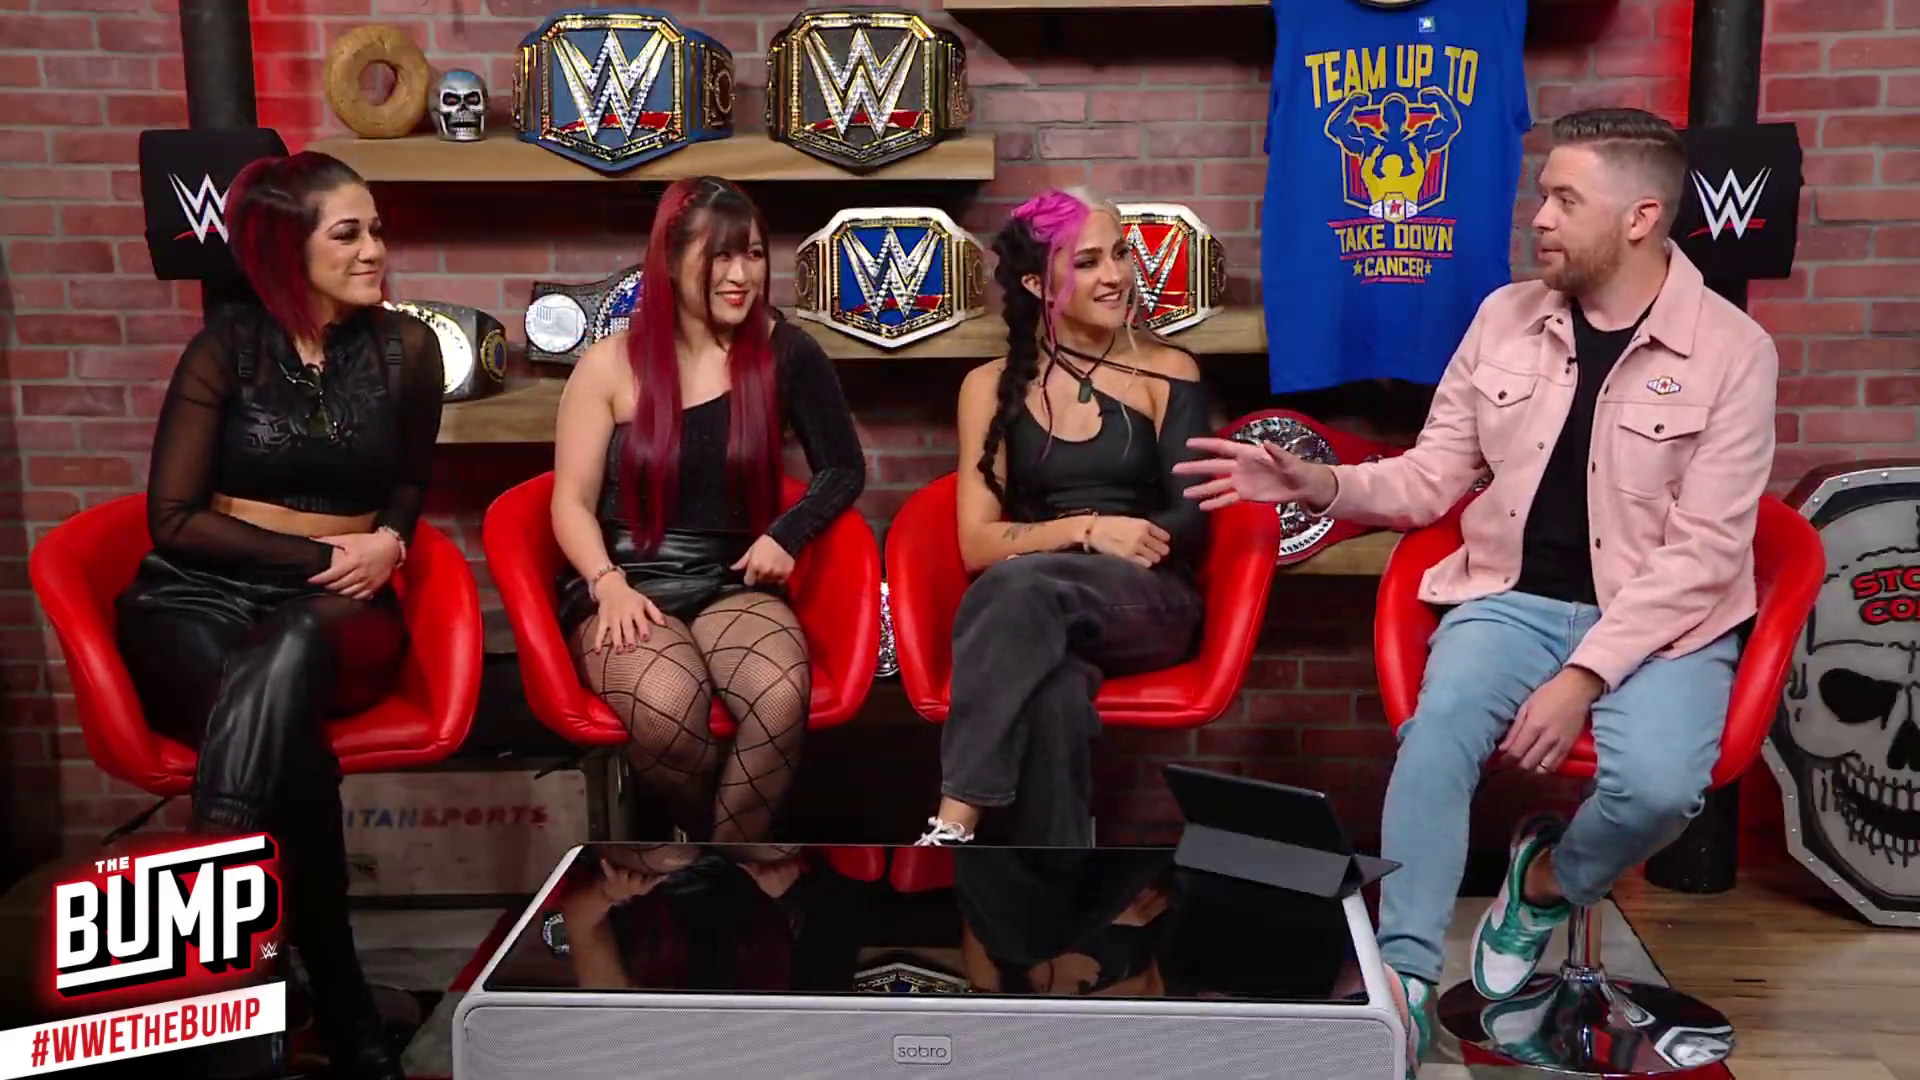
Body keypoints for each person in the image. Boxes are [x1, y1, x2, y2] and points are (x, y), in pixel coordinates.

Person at [1177, 108, 1777, 1076]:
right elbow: (1429, 480)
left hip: (1666, 622)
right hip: (1509, 599)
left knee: (1662, 789)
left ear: (1640, 218)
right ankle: (1403, 986)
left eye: (1566, 200)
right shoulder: (1503, 318)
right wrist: (1317, 482)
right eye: (1543, 195)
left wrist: (1584, 675)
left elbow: (1705, 555)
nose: (1539, 217)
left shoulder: (1735, 351)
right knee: (1438, 737)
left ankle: (1544, 882)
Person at [114, 151, 443, 1079]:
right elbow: (175, 520)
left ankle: (217, 979)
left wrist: (390, 542)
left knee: (291, 649)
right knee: (283, 724)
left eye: (377, 229)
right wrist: (320, 555)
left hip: (338, 609)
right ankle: (340, 1004)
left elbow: (409, 481)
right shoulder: (226, 350)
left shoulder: (407, 350)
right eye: (349, 233)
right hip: (198, 596)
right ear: (285, 249)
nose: (375, 250)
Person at [551, 175, 864, 844]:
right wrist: (607, 584)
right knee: (666, 710)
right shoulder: (609, 364)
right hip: (625, 577)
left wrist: (788, 533)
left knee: (779, 697)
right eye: (719, 256)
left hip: (730, 577)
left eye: (753, 254)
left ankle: (715, 873)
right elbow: (570, 503)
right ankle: (716, 851)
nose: (740, 275)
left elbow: (843, 467)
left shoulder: (786, 350)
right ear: (670, 261)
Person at [916, 188, 1212, 848]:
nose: (1115, 275)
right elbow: (976, 545)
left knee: (1019, 586)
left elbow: (1192, 518)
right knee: (1051, 693)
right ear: (1036, 284)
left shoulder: (1167, 371)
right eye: (1087, 262)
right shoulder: (988, 387)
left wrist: (1117, 540)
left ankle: (954, 822)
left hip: (1150, 599)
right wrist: (1086, 530)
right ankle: (1057, 880)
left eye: (1120, 255)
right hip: (1032, 605)